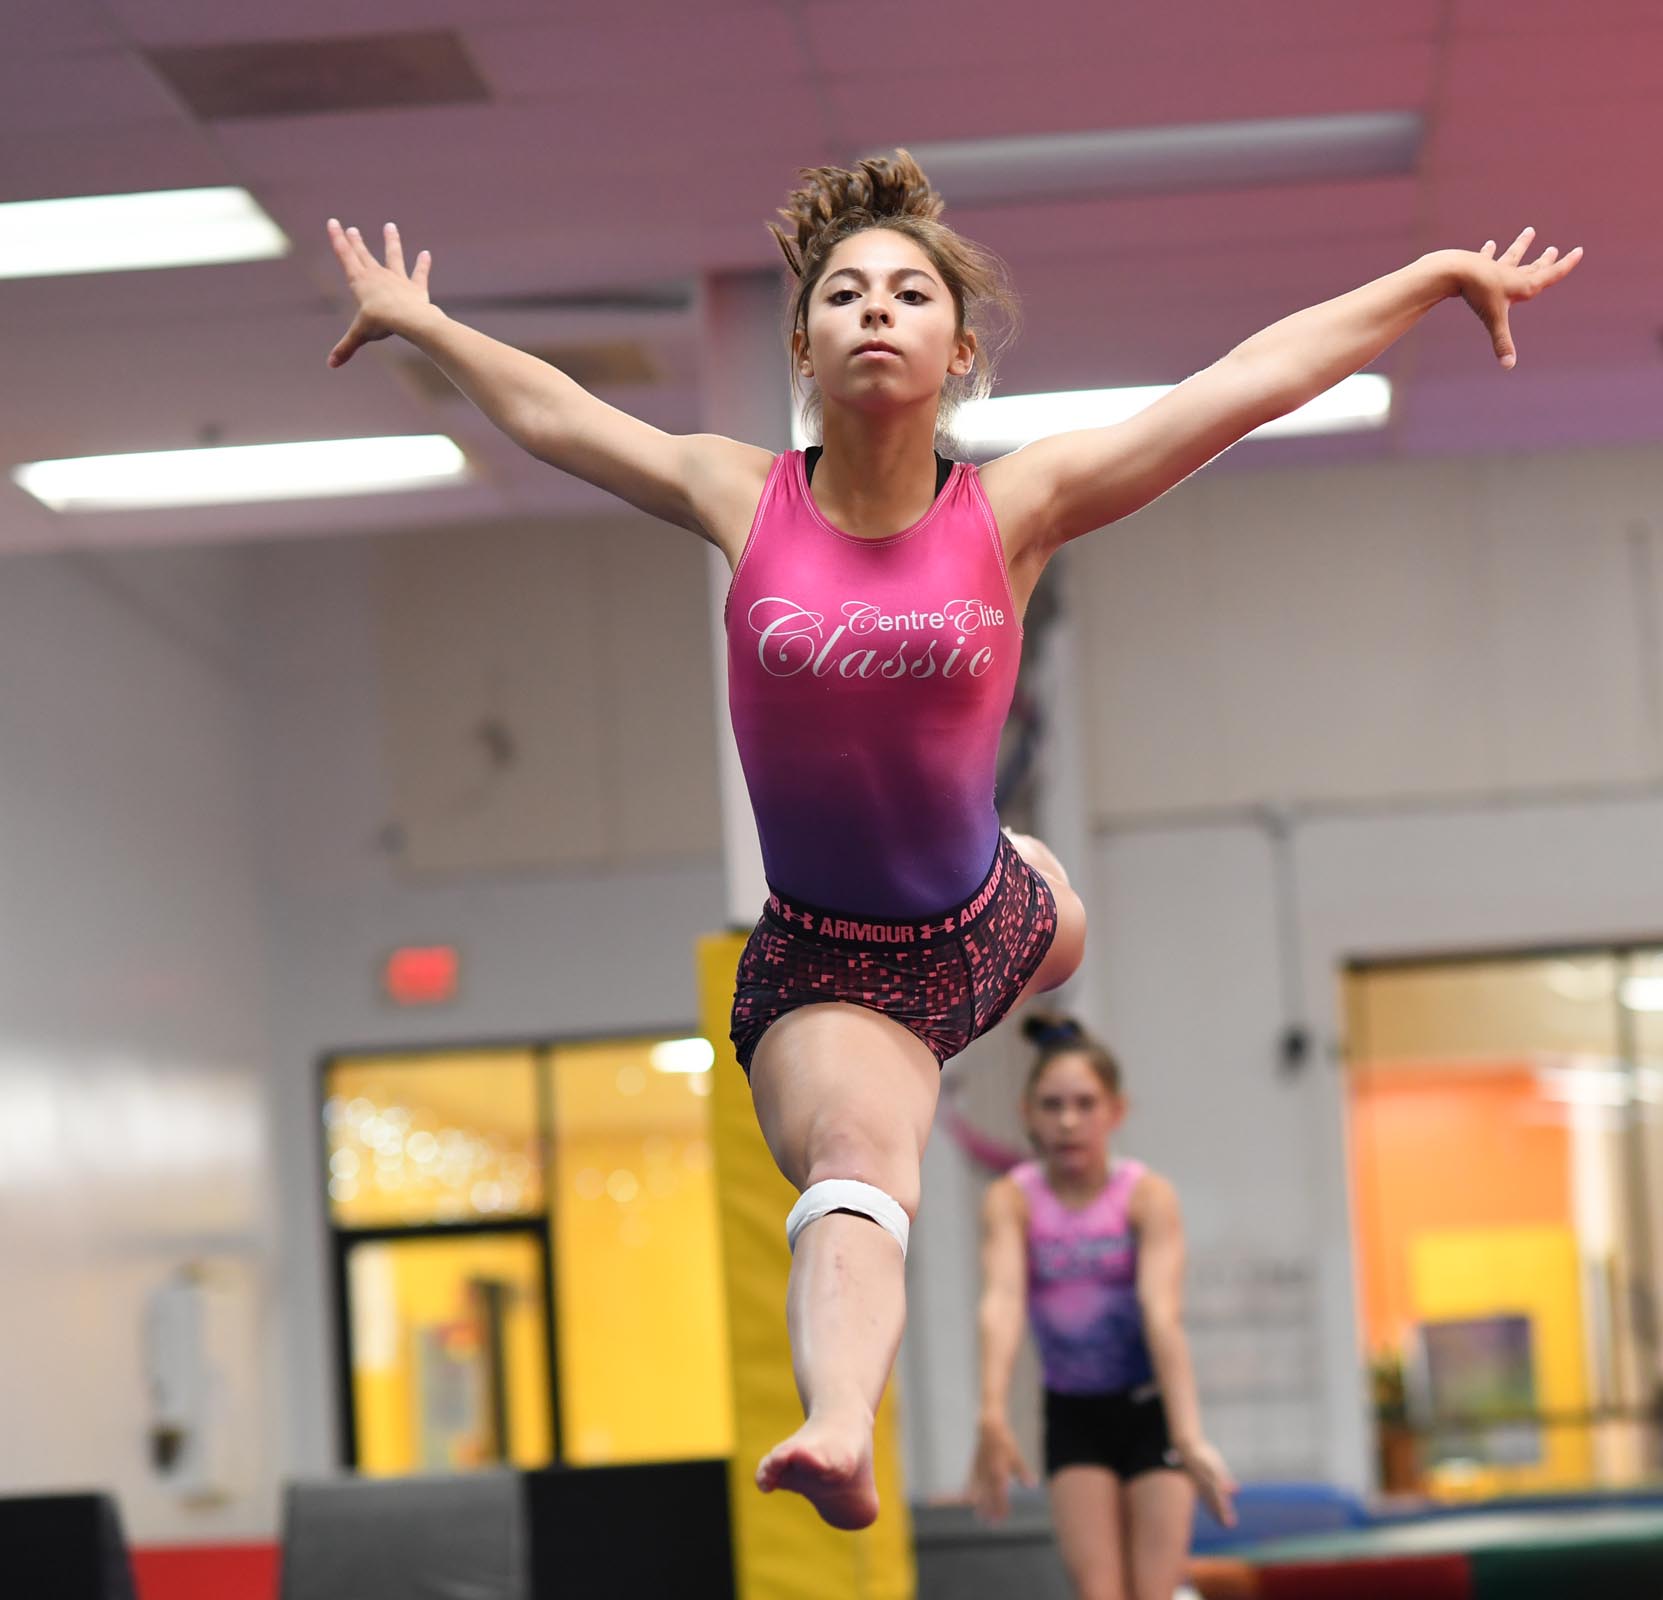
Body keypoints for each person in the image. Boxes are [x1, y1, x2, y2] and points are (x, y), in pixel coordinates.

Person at [323, 151, 1577, 1530]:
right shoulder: (744, 498)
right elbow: (559, 418)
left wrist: (1432, 277)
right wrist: (429, 324)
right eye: (844, 293)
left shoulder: (1014, 508)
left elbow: (1241, 387)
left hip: (989, 916)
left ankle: (1034, 871)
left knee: (1055, 917)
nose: (875, 311)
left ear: (957, 348)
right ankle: (841, 1429)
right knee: (864, 1155)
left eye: (909, 293)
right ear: (800, 343)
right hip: (831, 963)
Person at [970, 1016, 1232, 1600]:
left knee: (1154, 1591)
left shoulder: (1145, 1196)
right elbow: (1003, 1300)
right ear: (1027, 1113)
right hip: (1073, 1414)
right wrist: (991, 1411)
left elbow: (1161, 1315)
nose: (1068, 1121)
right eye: (1052, 1105)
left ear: (1116, 1111)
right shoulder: (1013, 1200)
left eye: (1085, 1104)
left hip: (1148, 1409)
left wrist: (1187, 1436)